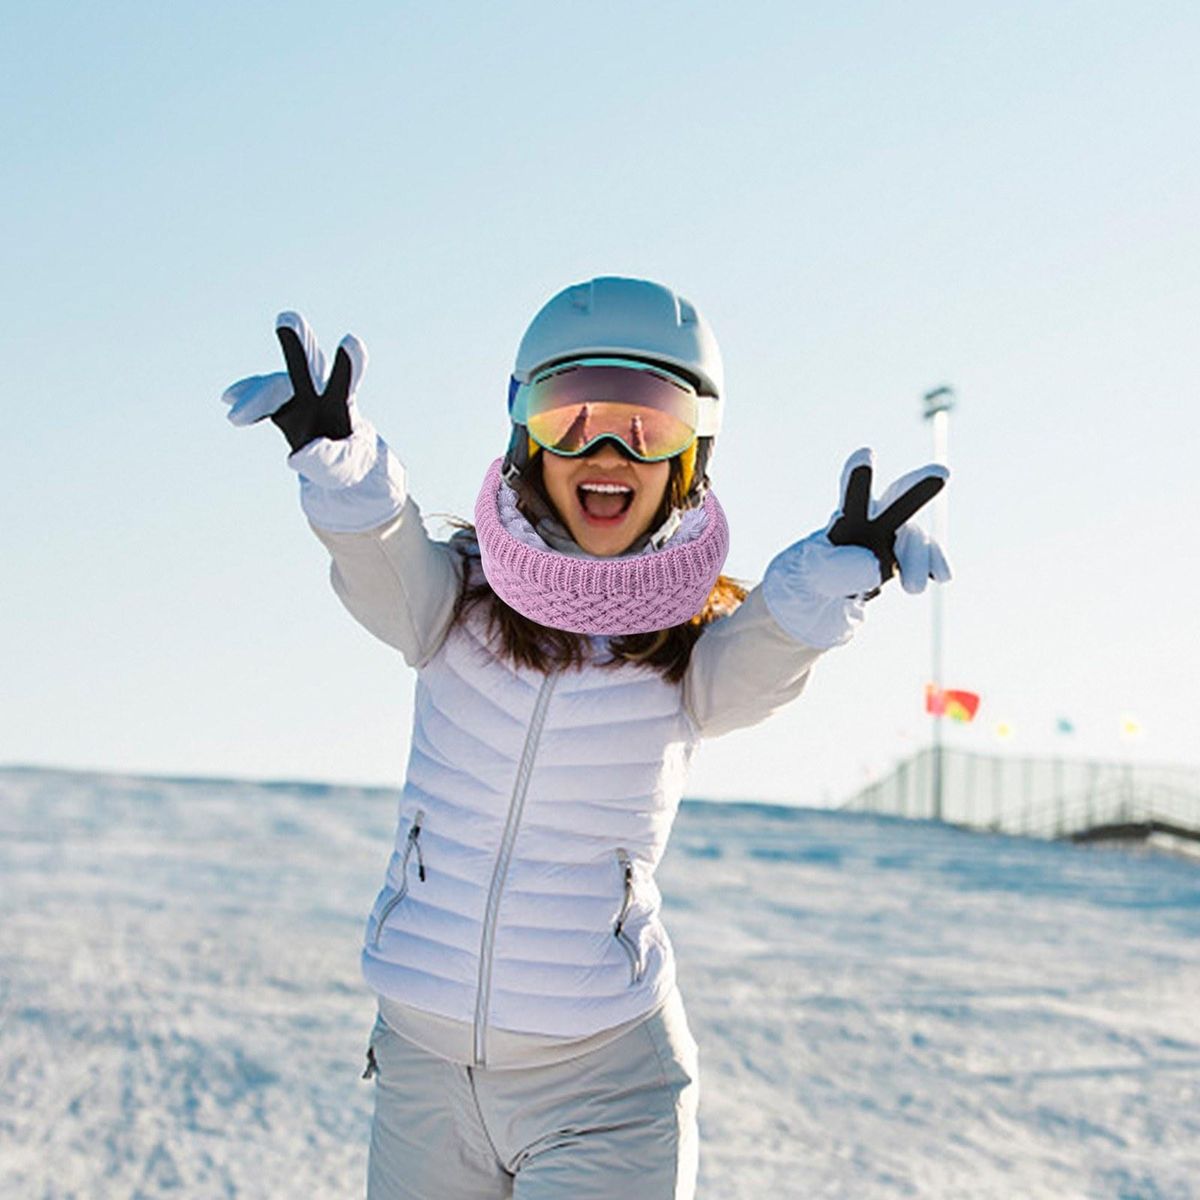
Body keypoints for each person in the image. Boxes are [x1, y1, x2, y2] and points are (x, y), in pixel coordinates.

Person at [221, 276, 950, 1199]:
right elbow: (380, 552)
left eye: (649, 422)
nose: (608, 450)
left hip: (604, 1092)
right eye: (572, 416)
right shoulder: (450, 602)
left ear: (694, 452)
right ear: (526, 435)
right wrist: (341, 465)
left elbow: (760, 659)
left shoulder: (687, 653)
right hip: (422, 1071)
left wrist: (822, 588)